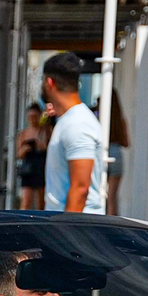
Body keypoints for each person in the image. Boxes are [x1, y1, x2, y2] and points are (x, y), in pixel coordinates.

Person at [42, 53, 105, 214]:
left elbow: (80, 188)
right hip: (68, 226)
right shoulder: (69, 120)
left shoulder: (77, 124)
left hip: (76, 230)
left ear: (49, 83)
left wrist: (65, 234)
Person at [15, 102, 49, 211]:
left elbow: (48, 148)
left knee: (40, 203)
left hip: (41, 168)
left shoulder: (45, 131)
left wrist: (40, 145)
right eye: (30, 117)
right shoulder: (23, 134)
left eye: (35, 117)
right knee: (25, 201)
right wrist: (25, 148)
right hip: (28, 169)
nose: (32, 120)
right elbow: (18, 154)